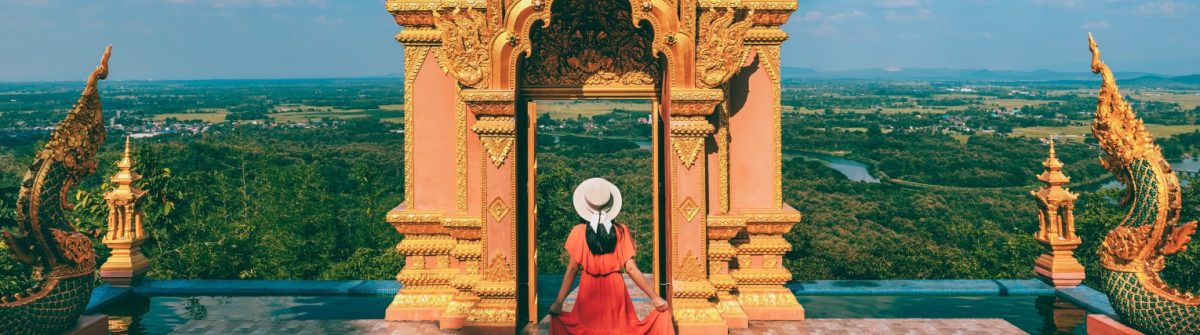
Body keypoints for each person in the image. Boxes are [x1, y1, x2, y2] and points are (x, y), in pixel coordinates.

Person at [549, 178, 674, 335]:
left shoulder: (578, 232)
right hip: (616, 291)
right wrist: (654, 297)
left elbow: (572, 269)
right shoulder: (621, 231)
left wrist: (559, 302)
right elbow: (631, 268)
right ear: (610, 206)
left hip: (589, 291)